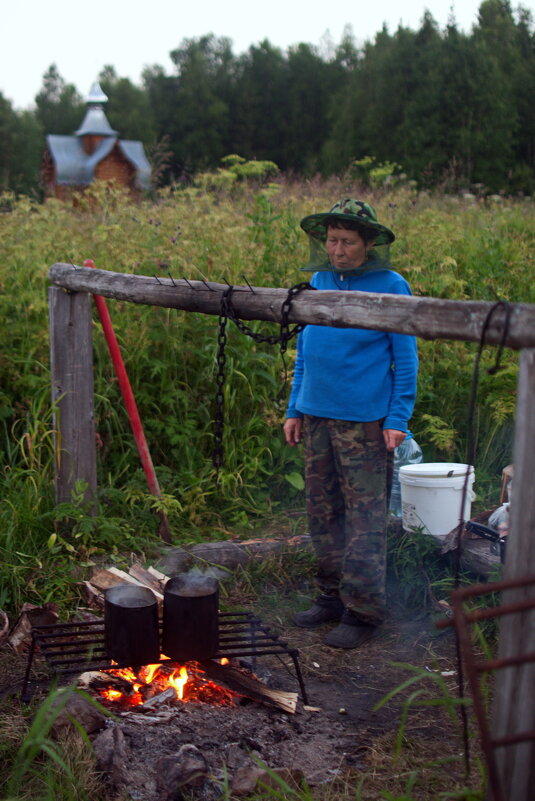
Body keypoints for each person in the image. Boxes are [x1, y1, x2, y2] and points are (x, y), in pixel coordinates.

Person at [283, 198, 418, 649]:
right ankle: (330, 597)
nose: (337, 250)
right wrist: (294, 407)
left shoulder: (391, 285)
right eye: (331, 240)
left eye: (347, 242)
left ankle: (363, 612)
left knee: (364, 518)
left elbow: (406, 358)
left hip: (365, 421)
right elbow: (306, 353)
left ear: (369, 243)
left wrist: (398, 417)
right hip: (316, 414)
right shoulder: (319, 281)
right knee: (322, 511)